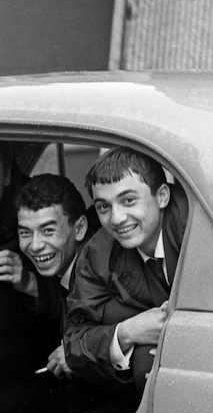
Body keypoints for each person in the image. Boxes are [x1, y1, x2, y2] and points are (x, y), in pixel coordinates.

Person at [62, 146, 188, 394]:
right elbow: (74, 341)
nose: (117, 218)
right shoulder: (98, 254)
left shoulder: (192, 226)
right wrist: (129, 331)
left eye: (128, 200)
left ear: (162, 196)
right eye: (103, 207)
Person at [0, 173, 94, 379]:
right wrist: (29, 283)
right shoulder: (67, 268)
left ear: (79, 228)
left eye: (47, 230)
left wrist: (81, 352)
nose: (35, 246)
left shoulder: (105, 274)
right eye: (25, 233)